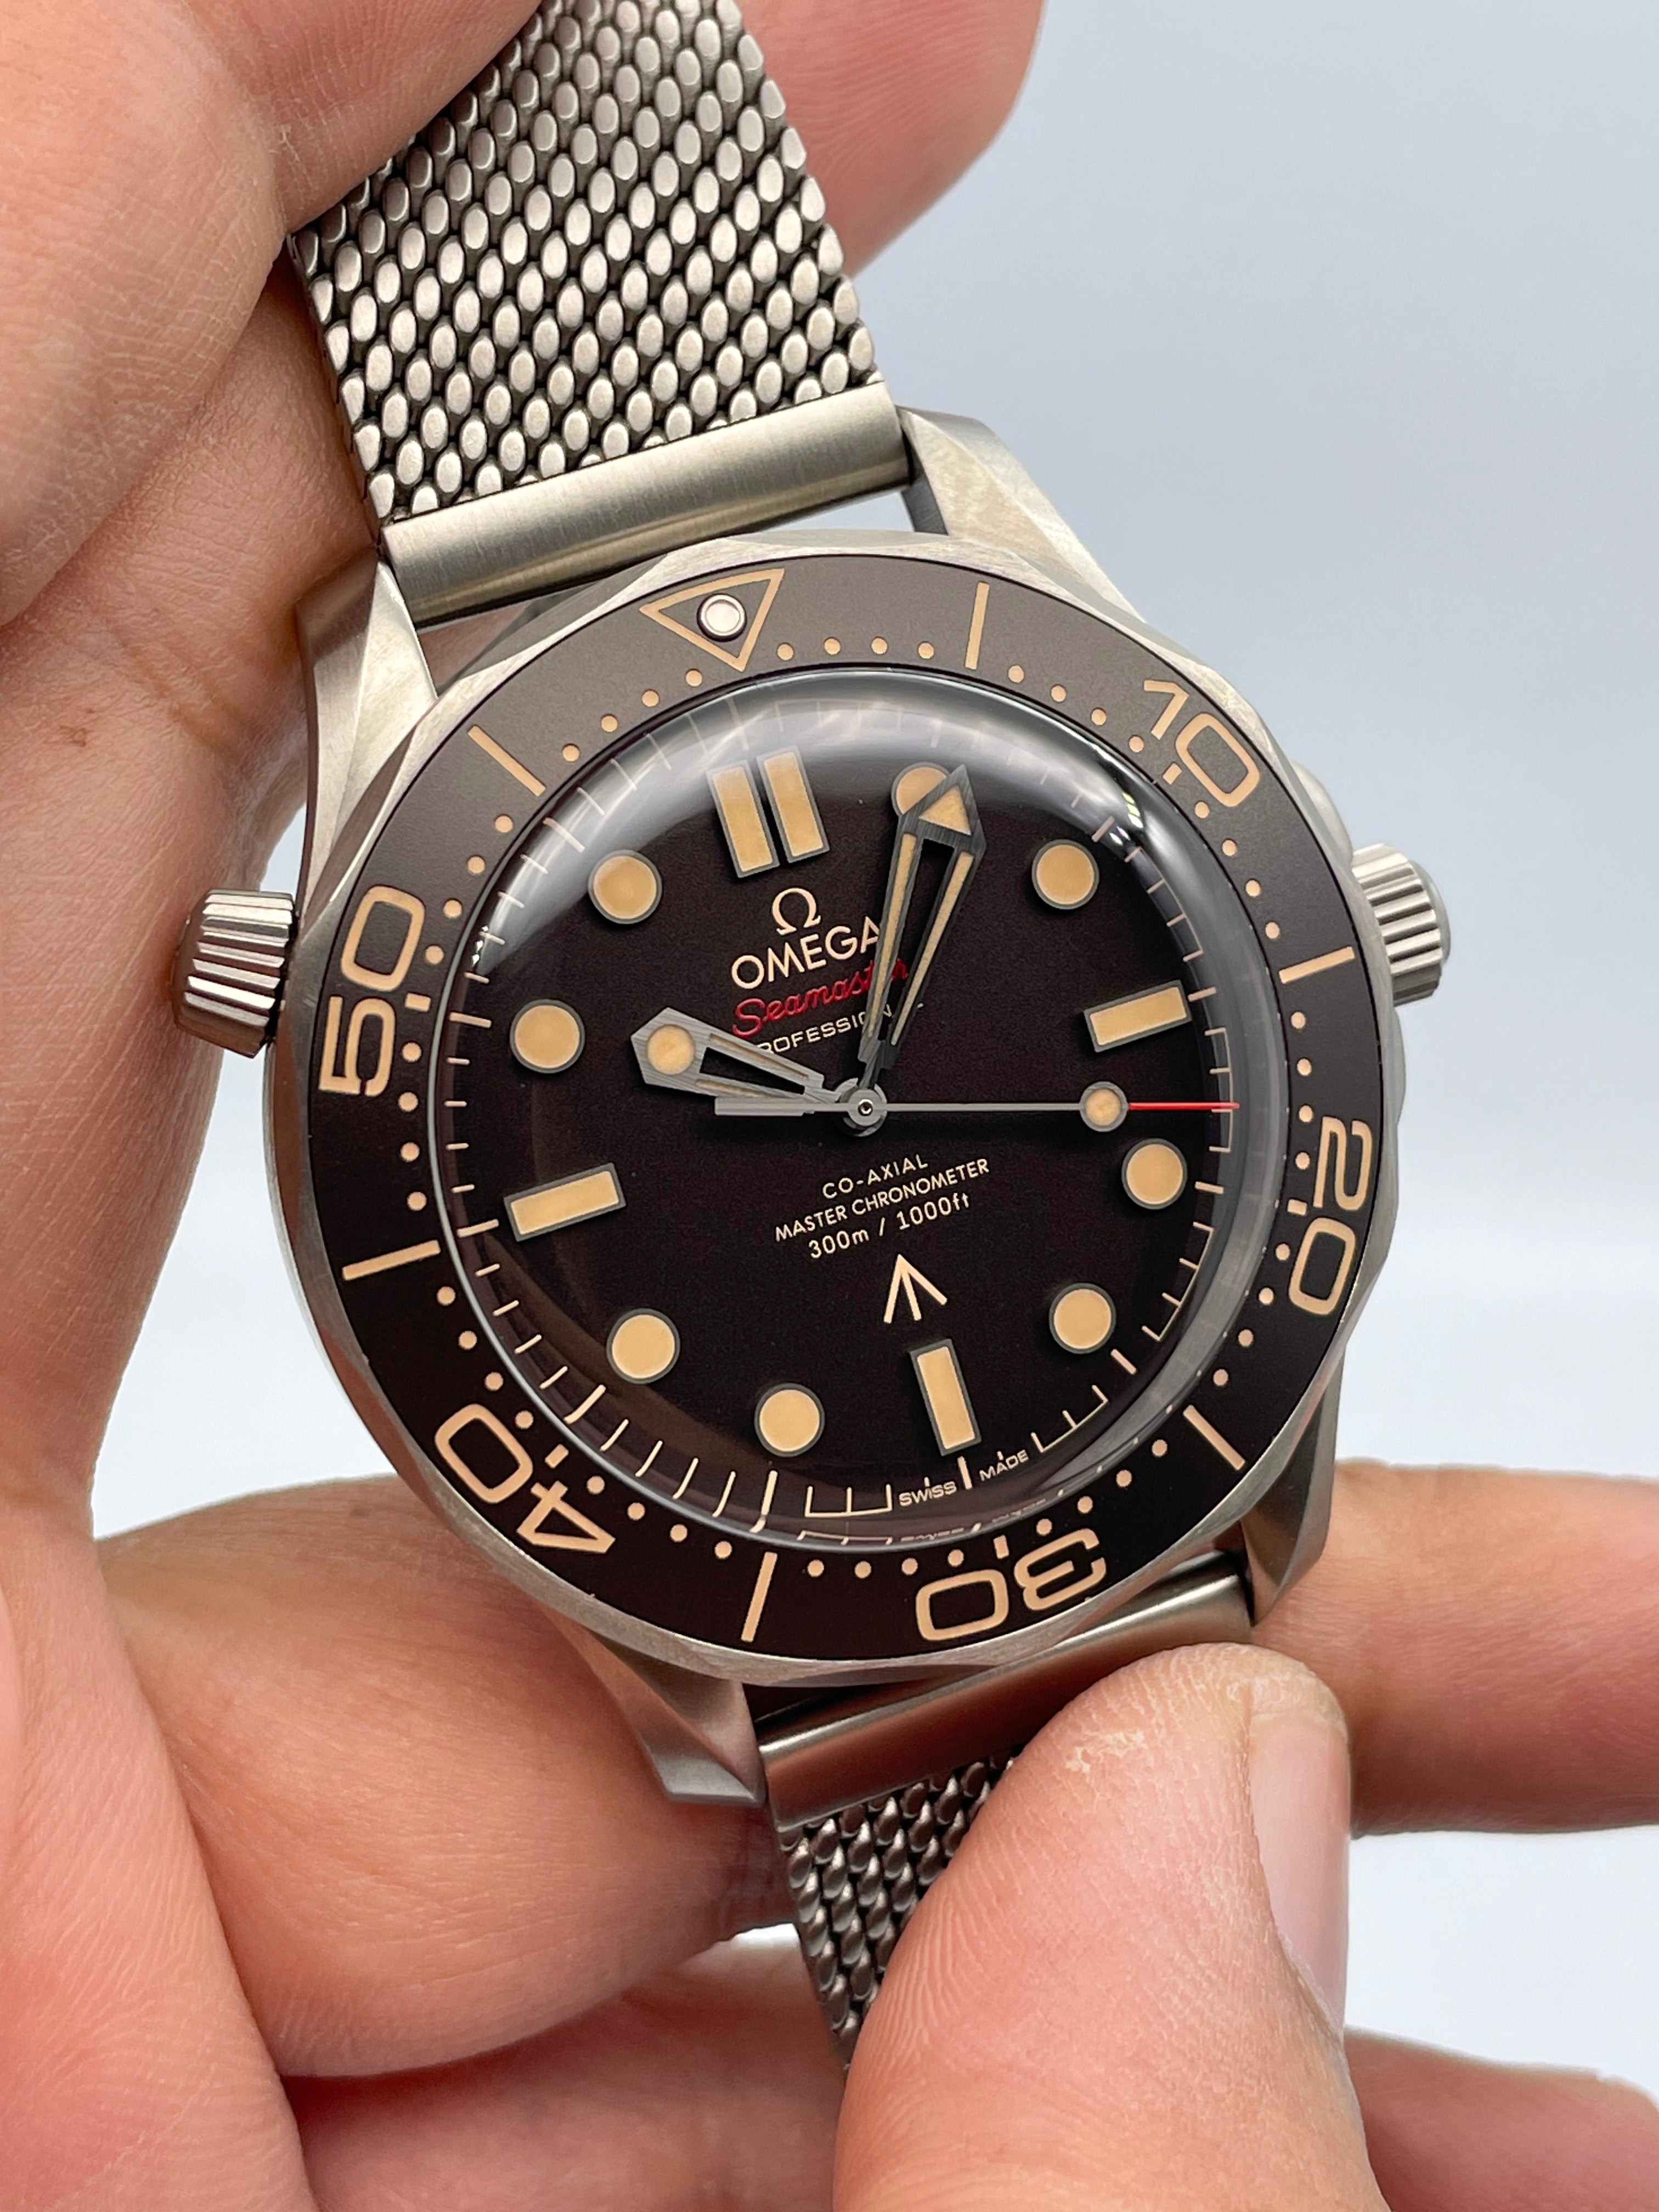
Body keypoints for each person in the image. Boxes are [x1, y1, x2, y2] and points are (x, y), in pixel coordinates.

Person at [2, 2, 1655, 2203]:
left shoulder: (960, 564)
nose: (864, 1113)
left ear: (1347, 936)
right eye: (809, 1086)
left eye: (863, 1086)